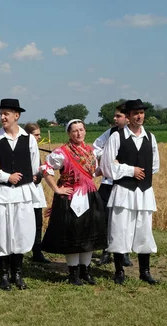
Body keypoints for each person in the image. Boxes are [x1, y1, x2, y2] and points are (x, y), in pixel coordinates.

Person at [0, 99, 40, 291]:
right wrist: (7, 176)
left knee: (21, 234)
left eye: (7, 113)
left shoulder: (29, 139)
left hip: (23, 193)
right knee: (2, 234)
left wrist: (29, 179)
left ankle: (18, 274)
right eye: (1, 113)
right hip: (3, 193)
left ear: (17, 115)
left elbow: (34, 167)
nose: (3, 117)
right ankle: (4, 275)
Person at [41, 120, 107, 285]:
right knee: (73, 235)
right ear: (69, 134)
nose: (78, 133)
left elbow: (94, 171)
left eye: (81, 130)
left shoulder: (90, 151)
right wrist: (57, 189)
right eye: (75, 131)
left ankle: (86, 271)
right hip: (70, 197)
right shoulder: (61, 153)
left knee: (87, 234)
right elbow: (46, 169)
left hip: (90, 196)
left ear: (85, 131)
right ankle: (73, 274)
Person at [101, 99, 160, 285]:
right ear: (128, 116)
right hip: (123, 191)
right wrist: (129, 170)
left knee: (144, 231)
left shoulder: (150, 137)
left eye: (141, 112)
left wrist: (140, 175)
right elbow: (107, 166)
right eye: (135, 113)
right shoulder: (116, 137)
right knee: (120, 231)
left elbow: (155, 166)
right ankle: (119, 271)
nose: (139, 116)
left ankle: (145, 271)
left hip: (144, 192)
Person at [92, 103, 132, 267]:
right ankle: (106, 250)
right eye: (115, 116)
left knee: (125, 218)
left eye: (118, 116)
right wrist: (107, 155)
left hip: (126, 183)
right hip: (108, 183)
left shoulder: (135, 136)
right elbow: (95, 148)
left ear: (127, 118)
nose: (115, 119)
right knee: (105, 218)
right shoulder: (111, 132)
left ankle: (125, 253)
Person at [23, 123, 50, 264]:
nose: (39, 137)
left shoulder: (36, 149)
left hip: (36, 189)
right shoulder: (20, 149)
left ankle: (37, 252)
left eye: (39, 134)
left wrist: (39, 174)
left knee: (38, 222)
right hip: (24, 190)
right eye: (36, 135)